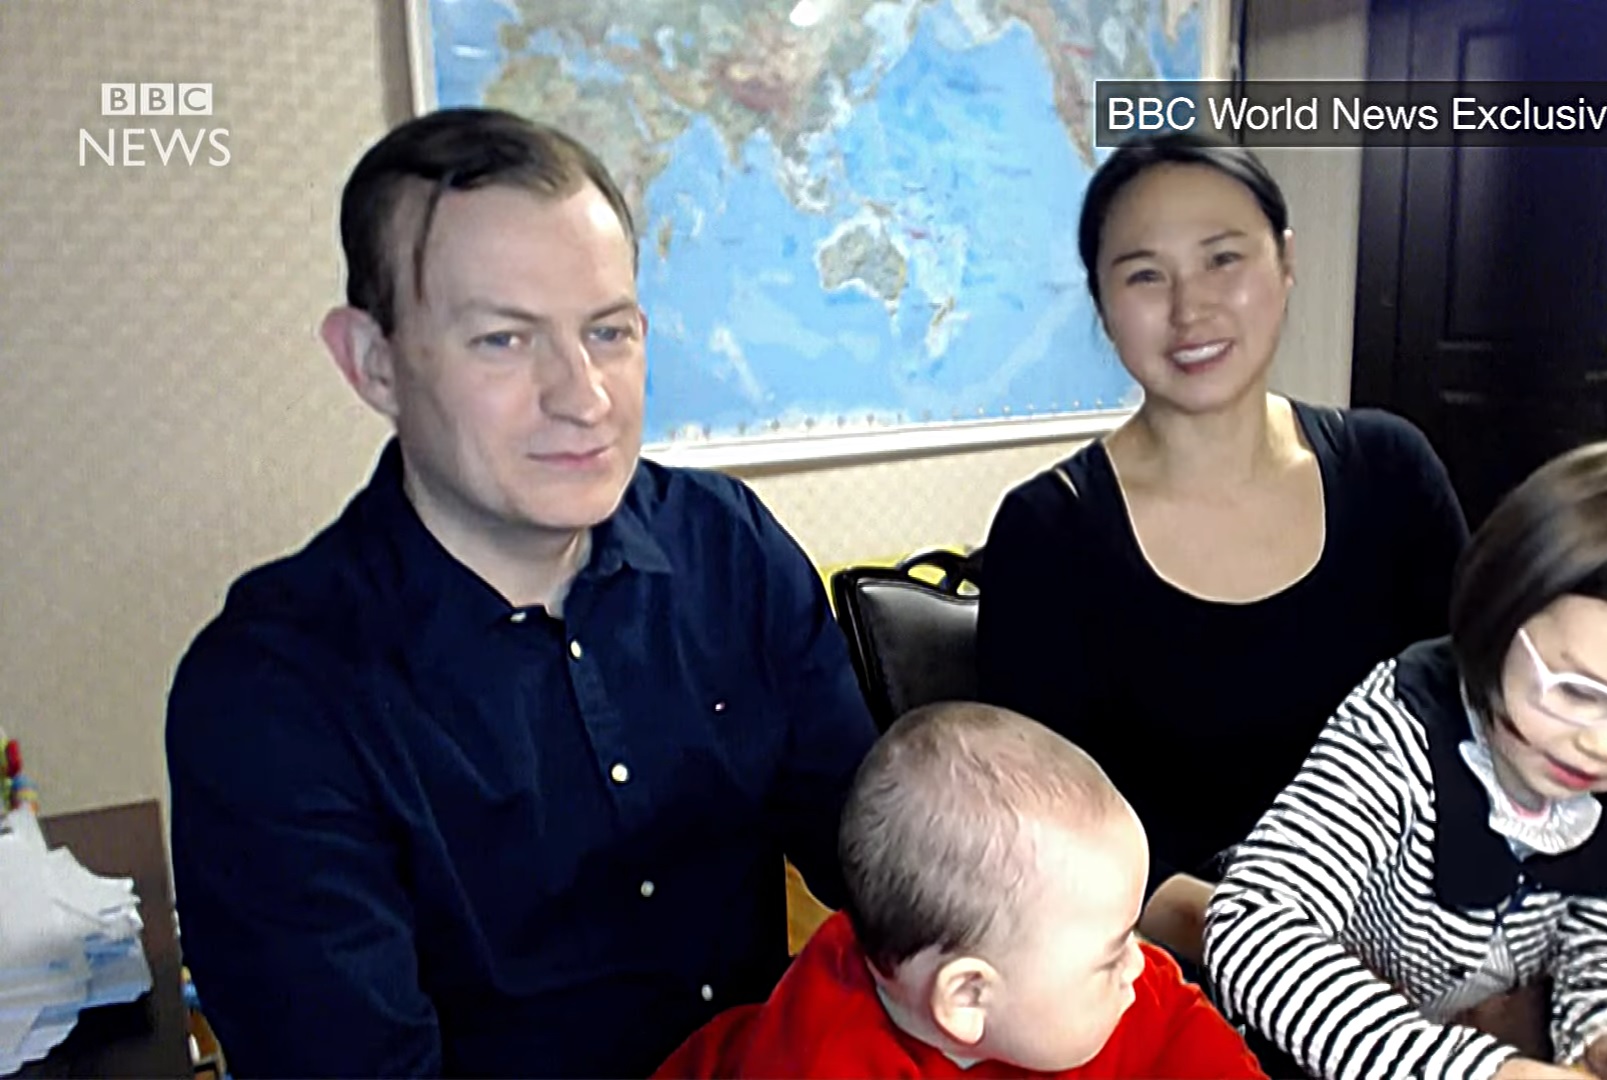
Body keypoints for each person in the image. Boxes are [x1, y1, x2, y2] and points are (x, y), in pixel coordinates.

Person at [164, 108, 878, 1077]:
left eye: (608, 332)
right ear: (373, 363)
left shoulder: (728, 546)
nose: (583, 397)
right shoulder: (272, 693)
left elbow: (877, 856)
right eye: (503, 340)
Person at [974, 132, 1469, 959]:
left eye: (1223, 259)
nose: (1190, 308)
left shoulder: (1390, 470)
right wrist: (1262, 946)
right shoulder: (1048, 530)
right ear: (1101, 303)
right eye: (1145, 275)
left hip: (1422, 934)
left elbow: (1474, 721)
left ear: (1286, 261)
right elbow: (1052, 824)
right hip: (1173, 963)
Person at [1204, 439, 1607, 1080]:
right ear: (1502, 612)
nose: (1605, 747)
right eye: (1577, 691)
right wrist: (1483, 1073)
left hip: (1470, 1032)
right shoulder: (1397, 732)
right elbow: (1249, 927)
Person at [653, 701, 1267, 1079]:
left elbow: (1179, 1028)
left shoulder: (1094, 985)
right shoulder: (822, 1061)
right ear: (969, 995)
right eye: (1111, 955)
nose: (1140, 965)